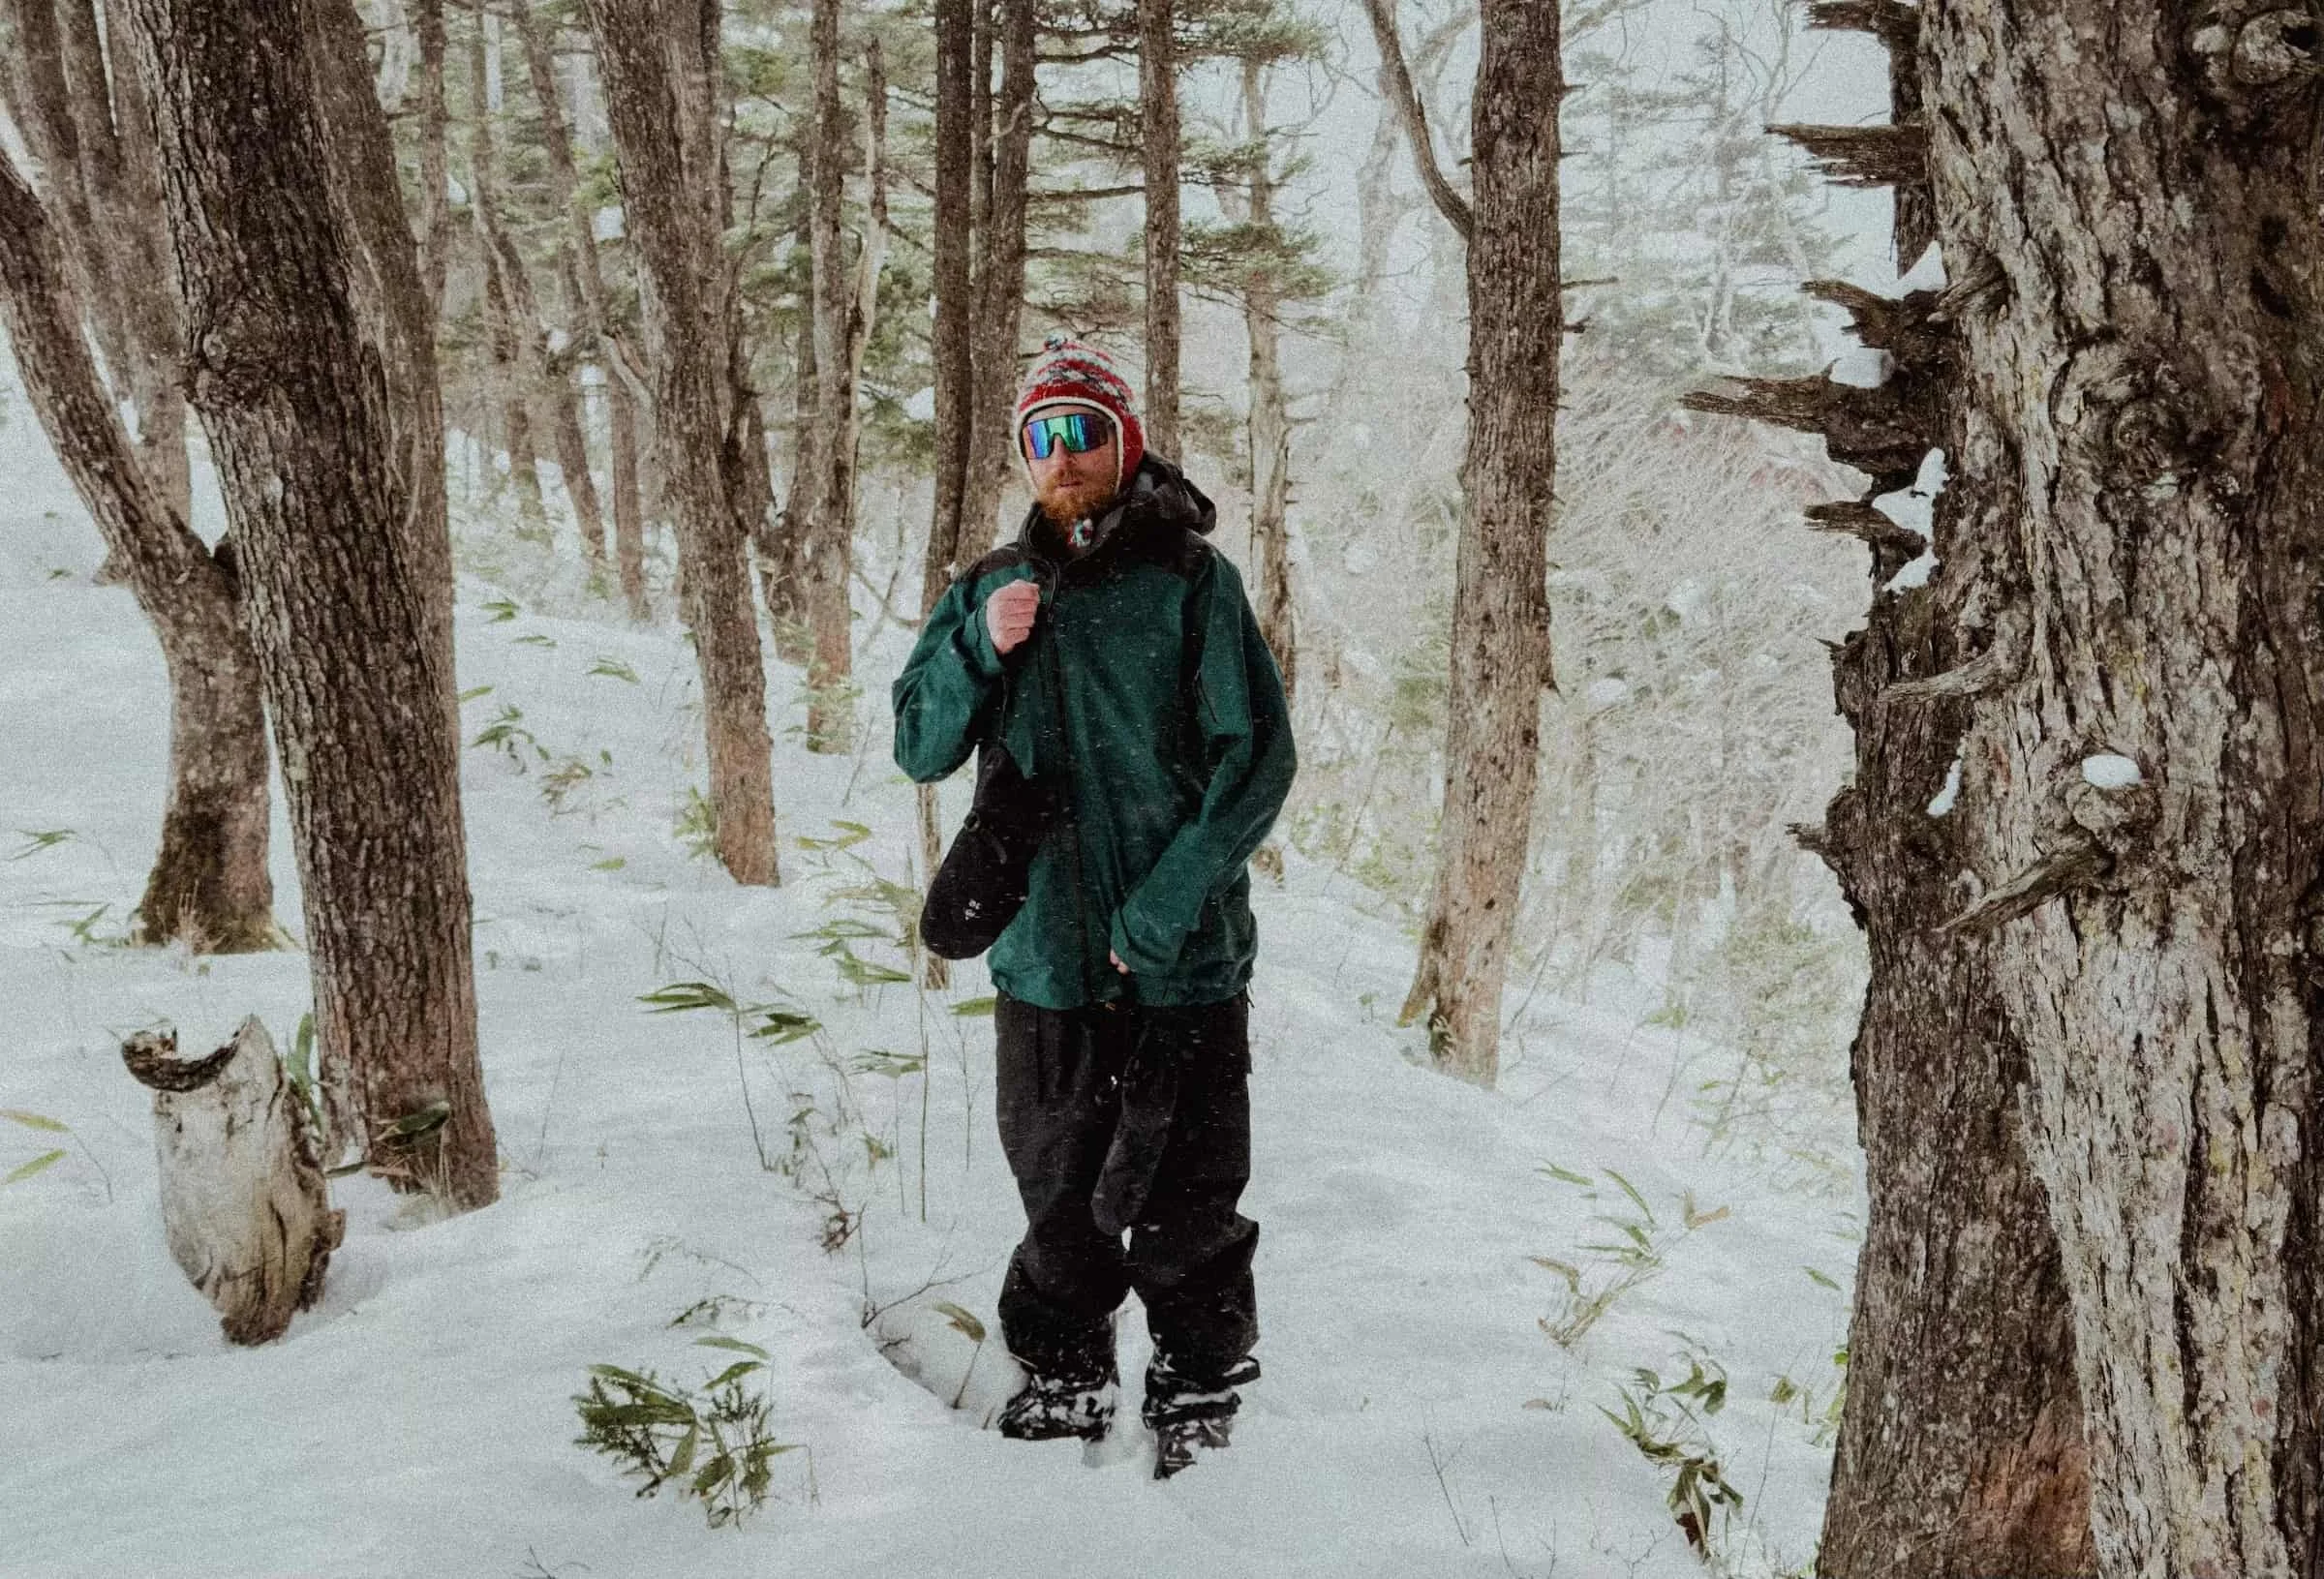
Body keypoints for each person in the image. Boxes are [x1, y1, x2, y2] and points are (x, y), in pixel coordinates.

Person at [892, 334, 1296, 1477]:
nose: (1065, 456)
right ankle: (1066, 1376)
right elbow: (919, 742)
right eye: (1044, 436)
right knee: (1060, 1194)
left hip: (1185, 961)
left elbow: (1257, 758)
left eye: (1086, 432)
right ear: (1024, 453)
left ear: (1124, 443)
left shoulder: (1191, 585)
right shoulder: (986, 588)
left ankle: (1197, 1385)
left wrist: (1168, 905)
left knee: (1193, 1200)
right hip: (1047, 959)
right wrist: (979, 646)